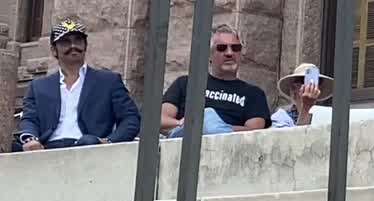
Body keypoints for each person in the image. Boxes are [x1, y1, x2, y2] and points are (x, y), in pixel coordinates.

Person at [14, 19, 139, 151]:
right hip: (48, 148)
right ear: (53, 50)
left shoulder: (108, 81)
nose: (73, 45)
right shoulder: (38, 86)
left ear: (85, 45)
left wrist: (107, 142)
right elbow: (29, 120)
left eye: (78, 40)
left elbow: (130, 119)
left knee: (88, 141)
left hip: (89, 146)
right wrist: (31, 139)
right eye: (65, 42)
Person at [161, 25, 271, 137]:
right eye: (222, 48)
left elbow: (255, 133)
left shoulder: (254, 94)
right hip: (185, 141)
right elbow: (160, 120)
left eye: (235, 48)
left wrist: (214, 127)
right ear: (210, 55)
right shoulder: (186, 83)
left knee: (208, 119)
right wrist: (187, 124)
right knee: (205, 117)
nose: (229, 53)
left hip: (228, 147)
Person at [271, 62, 333, 128]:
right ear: (294, 88)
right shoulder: (280, 118)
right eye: (304, 80)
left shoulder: (327, 117)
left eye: (317, 81)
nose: (311, 85)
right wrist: (306, 107)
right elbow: (296, 138)